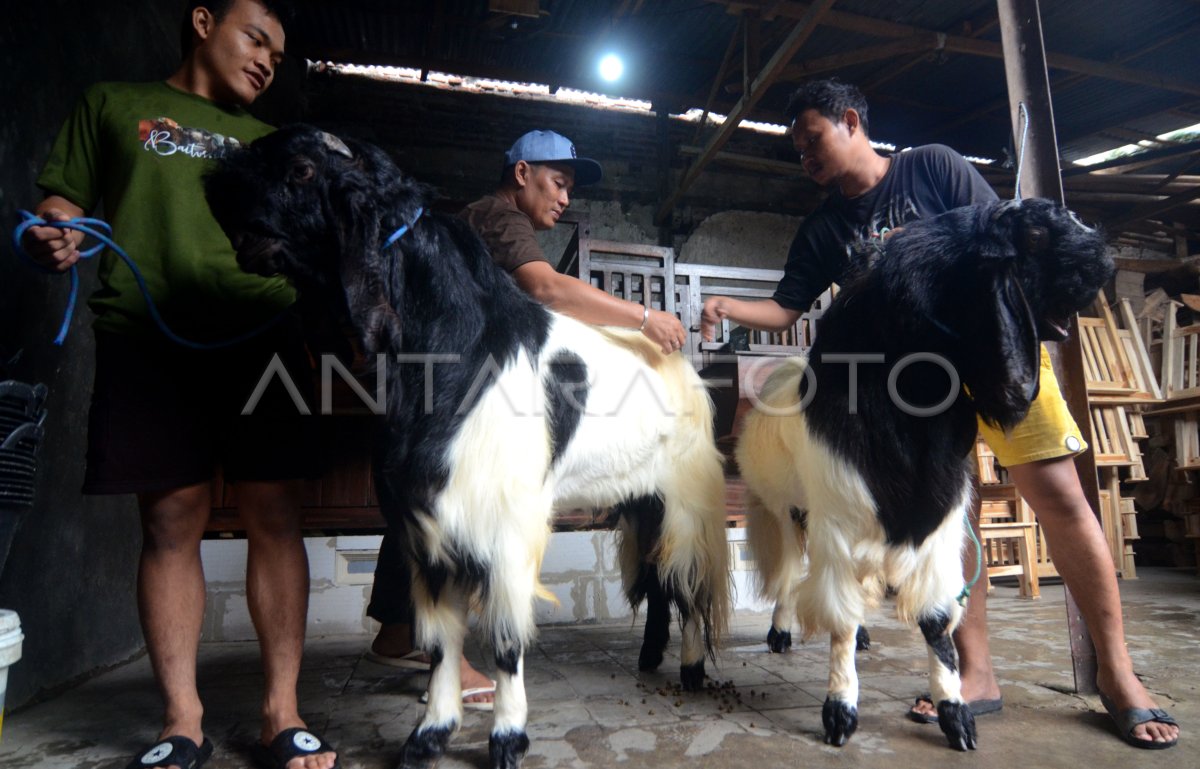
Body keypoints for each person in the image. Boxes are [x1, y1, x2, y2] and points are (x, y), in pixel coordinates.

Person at [700, 78, 1180, 750]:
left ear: (850, 120)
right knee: (952, 522)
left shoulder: (932, 166)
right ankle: (975, 672)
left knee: (1062, 497)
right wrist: (727, 305)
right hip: (911, 392)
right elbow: (786, 309)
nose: (803, 155)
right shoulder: (822, 228)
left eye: (811, 139)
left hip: (997, 355)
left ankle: (1119, 673)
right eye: (797, 147)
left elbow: (1003, 253)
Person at [22, 2, 340, 768]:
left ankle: (281, 712)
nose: (267, 60)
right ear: (203, 21)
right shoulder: (114, 104)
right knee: (171, 519)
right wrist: (52, 229)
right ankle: (181, 720)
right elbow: (61, 199)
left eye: (278, 52)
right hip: (148, 333)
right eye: (254, 37)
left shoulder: (274, 143)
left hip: (261, 335)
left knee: (275, 513)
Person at [365, 129, 689, 705]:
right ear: (522, 174)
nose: (564, 199)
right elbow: (548, 291)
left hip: (431, 386)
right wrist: (643, 319)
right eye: (557, 182)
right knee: (453, 515)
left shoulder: (483, 222)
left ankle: (399, 632)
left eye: (568, 189)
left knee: (419, 509)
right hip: (450, 393)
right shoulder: (496, 215)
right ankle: (449, 657)